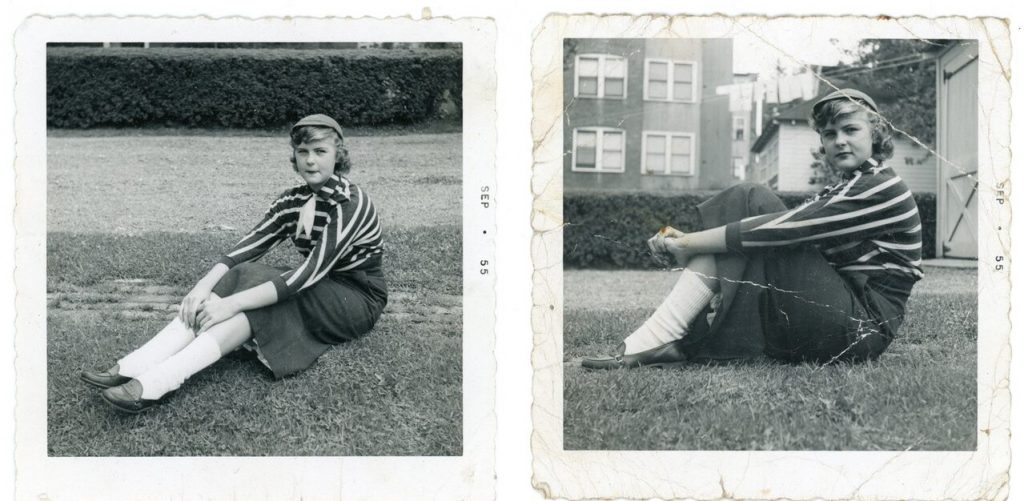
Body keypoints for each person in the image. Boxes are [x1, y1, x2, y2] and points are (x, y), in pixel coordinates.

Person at [583, 89, 923, 369]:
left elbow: (784, 227)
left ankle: (663, 338)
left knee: (752, 197)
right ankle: (663, 341)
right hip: (837, 323)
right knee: (750, 230)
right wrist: (692, 245)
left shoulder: (880, 187)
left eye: (851, 130)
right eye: (830, 134)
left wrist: (687, 243)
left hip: (859, 332)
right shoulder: (845, 188)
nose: (839, 141)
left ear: (875, 134)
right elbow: (778, 236)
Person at [81, 114, 388, 413]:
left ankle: (162, 380)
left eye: (321, 152)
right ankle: (140, 363)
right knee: (241, 272)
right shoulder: (293, 200)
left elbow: (306, 275)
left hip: (356, 297)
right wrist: (202, 287)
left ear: (339, 156)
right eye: (303, 152)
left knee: (257, 302)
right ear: (294, 156)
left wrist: (231, 304)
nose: (310, 161)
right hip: (320, 287)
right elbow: (248, 247)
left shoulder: (351, 202)